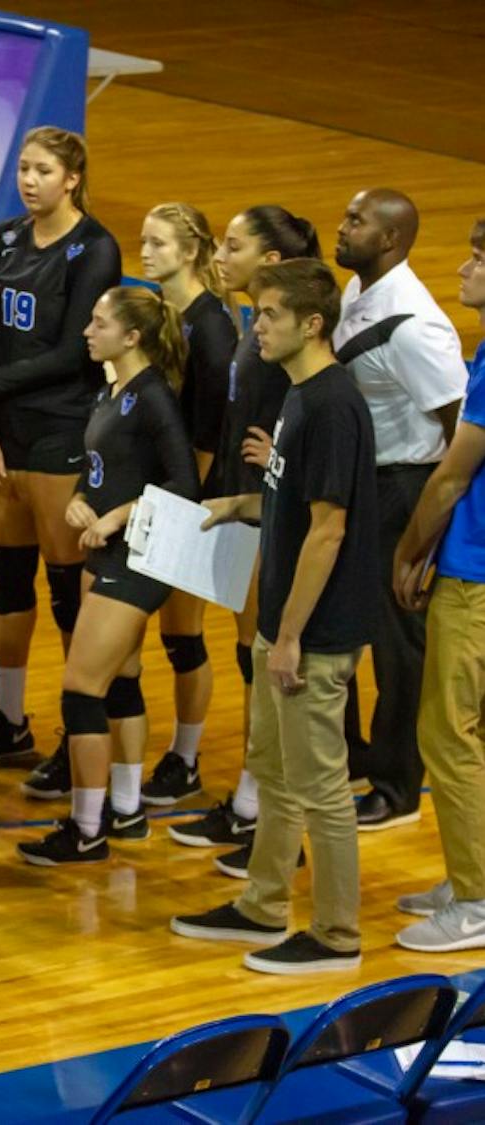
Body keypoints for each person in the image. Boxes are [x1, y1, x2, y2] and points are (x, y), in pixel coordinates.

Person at [172, 258, 378, 974]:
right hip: (280, 627)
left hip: (312, 636)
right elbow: (292, 502)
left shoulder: (330, 406)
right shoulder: (297, 395)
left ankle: (336, 935)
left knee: (321, 785)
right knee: (275, 770)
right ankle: (262, 903)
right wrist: (237, 503)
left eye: (268, 316)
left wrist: (289, 635)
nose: (255, 326)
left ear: (311, 323)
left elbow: (330, 529)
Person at [0, 126, 121, 787]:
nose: (29, 180)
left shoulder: (95, 248)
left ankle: (74, 731)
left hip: (59, 434)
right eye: (23, 168)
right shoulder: (2, 239)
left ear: (71, 179)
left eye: (43, 170)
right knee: (5, 583)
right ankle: (9, 717)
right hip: (4, 437)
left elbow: (77, 350)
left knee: (66, 593)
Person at [166, 206, 323, 878]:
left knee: (266, 670)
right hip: (240, 503)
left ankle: (274, 817)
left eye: (233, 246)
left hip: (270, 516)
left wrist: (279, 447)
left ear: (273, 262)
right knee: (246, 661)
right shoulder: (250, 325)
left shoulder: (286, 339)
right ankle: (250, 802)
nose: (219, 257)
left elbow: (320, 404)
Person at [18, 287, 200, 864]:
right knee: (120, 677)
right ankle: (126, 810)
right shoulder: (110, 389)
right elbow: (101, 469)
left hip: (138, 557)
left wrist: (120, 515)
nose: (87, 331)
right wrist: (79, 499)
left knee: (81, 690)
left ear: (132, 337)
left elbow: (183, 485)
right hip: (106, 552)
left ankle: (86, 828)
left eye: (98, 323)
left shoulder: (154, 397)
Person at [332, 188, 468, 831]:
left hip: (405, 488)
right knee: (347, 626)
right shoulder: (358, 293)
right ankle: (358, 754)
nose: (342, 226)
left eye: (355, 221)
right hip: (367, 483)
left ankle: (397, 786)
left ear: (389, 240)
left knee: (397, 647)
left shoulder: (415, 324)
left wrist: (427, 532)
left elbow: (458, 424)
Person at [391, 218, 485, 950]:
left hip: (474, 576)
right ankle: (468, 874)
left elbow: (452, 472)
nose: (464, 268)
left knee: (448, 735)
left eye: (479, 258)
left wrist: (409, 549)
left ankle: (478, 900)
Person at [135, 203, 238, 808]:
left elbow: (208, 431)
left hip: (193, 497)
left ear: (191, 252)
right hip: (162, 490)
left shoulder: (212, 327)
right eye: (144, 241)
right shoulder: (165, 312)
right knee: (168, 632)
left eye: (158, 244)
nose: (145, 253)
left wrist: (182, 507)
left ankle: (186, 757)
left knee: (183, 633)